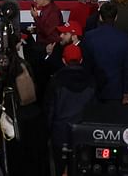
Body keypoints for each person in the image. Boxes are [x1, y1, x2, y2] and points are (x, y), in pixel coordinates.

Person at [44, 44, 97, 176]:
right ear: (81, 60)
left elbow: (49, 110)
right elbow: (95, 109)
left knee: (60, 169)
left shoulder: (56, 81)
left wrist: (47, 132)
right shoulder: (91, 81)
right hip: (84, 134)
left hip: (60, 133)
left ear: (63, 60)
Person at [82, 2, 128, 104]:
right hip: (115, 90)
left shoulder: (89, 37)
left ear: (100, 17)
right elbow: (127, 67)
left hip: (93, 89)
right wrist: (126, 91)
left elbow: (85, 64)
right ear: (116, 17)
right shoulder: (125, 38)